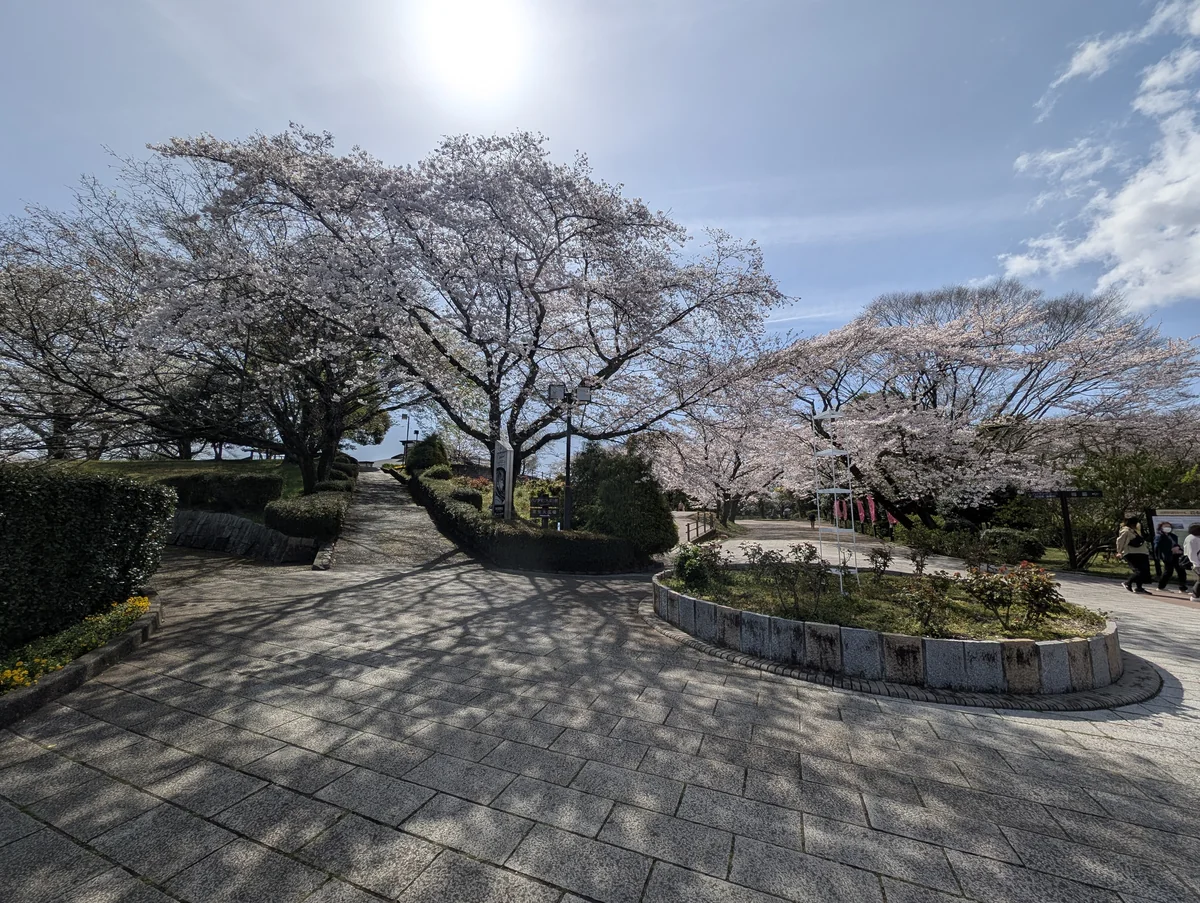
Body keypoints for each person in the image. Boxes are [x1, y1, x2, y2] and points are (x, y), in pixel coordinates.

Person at [1116, 517, 1151, 594]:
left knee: (1145, 571)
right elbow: (1120, 541)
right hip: (1131, 552)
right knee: (1139, 571)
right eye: (1136, 523)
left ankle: (1139, 588)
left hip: (1142, 552)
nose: (1138, 524)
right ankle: (1128, 582)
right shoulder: (1126, 530)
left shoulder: (1137, 530)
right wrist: (1119, 551)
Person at [1154, 521, 1189, 592]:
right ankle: (1161, 587)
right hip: (1167, 556)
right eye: (1165, 526)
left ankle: (1182, 588)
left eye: (1169, 526)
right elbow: (1157, 546)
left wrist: (1179, 549)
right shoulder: (1159, 536)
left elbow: (1175, 544)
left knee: (1181, 571)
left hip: (1176, 555)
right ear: (1161, 527)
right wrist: (1169, 550)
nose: (1167, 528)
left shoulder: (1172, 536)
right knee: (1168, 571)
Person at [1184, 525, 1200, 602]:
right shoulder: (1192, 538)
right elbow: (1191, 553)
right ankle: (1195, 596)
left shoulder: (1197, 537)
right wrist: (1196, 564)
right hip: (1197, 563)